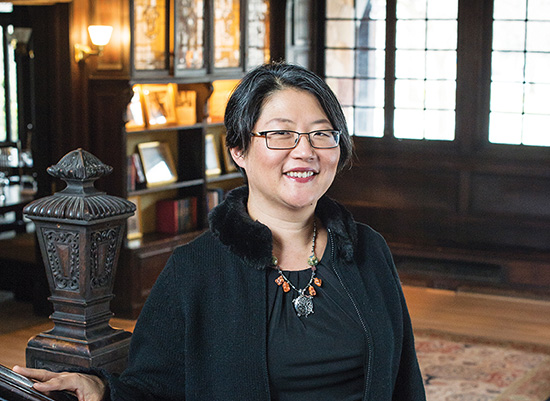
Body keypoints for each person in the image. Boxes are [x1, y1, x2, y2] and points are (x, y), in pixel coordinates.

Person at [14, 62, 426, 400]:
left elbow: (405, 380)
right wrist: (103, 391)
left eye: (321, 133)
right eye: (281, 133)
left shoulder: (367, 249)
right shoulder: (196, 268)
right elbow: (154, 390)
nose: (305, 150)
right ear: (239, 150)